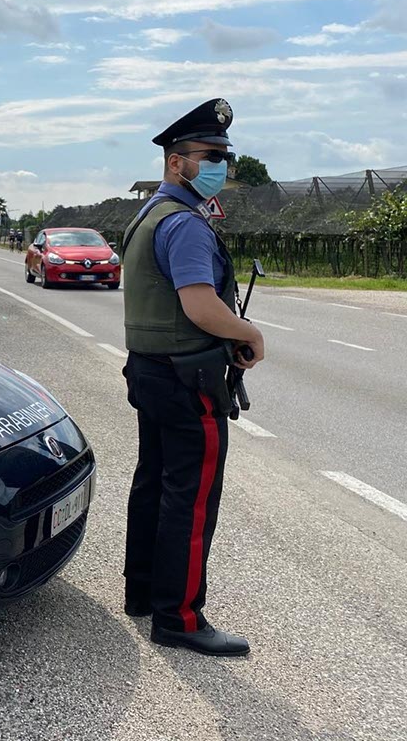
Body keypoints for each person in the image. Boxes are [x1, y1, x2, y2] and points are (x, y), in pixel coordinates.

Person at [120, 98, 264, 657]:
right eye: (209, 156)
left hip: (152, 370)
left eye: (226, 156)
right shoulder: (184, 224)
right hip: (188, 380)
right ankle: (179, 617)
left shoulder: (150, 213)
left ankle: (142, 593)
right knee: (192, 498)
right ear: (175, 161)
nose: (221, 166)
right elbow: (200, 306)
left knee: (153, 483)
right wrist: (248, 333)